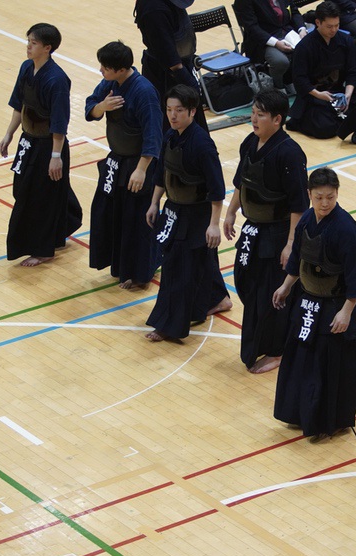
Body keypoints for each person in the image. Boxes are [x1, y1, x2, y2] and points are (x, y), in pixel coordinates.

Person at [272, 167, 356, 441]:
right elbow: (297, 259)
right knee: (302, 363)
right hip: (308, 304)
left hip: (335, 307)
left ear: (337, 193)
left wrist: (346, 312)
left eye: (330, 197)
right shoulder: (306, 220)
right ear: (309, 194)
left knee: (331, 369)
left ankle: (331, 421)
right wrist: (286, 286)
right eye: (319, 197)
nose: (325, 203)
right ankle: (300, 413)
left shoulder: (347, 229)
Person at [225, 89, 309, 373]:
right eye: (252, 113)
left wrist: (291, 244)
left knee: (271, 294)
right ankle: (260, 343)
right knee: (246, 283)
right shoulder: (250, 143)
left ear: (277, 119)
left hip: (278, 234)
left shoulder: (289, 153)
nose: (254, 119)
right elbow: (242, 182)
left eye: (260, 115)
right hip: (253, 230)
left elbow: (299, 205)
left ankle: (277, 351)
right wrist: (231, 211)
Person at [145, 85, 232, 341]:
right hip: (174, 210)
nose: (172, 115)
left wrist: (213, 224)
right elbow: (162, 173)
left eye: (179, 110)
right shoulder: (170, 136)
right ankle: (218, 298)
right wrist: (154, 203)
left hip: (196, 215)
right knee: (202, 261)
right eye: (169, 110)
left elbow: (217, 189)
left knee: (178, 267)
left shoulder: (202, 144)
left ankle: (169, 325)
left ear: (192, 111)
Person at [0, 22, 82, 267]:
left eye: (33, 43)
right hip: (28, 141)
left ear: (47, 48)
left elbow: (59, 122)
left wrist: (56, 156)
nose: (28, 46)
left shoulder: (57, 80)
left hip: (48, 146)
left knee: (42, 197)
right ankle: (62, 226)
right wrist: (9, 134)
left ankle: (44, 249)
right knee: (22, 189)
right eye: (28, 41)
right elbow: (19, 105)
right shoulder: (26, 68)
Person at [85, 41, 163, 289]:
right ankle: (122, 265)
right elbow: (90, 107)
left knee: (137, 220)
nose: (101, 70)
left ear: (120, 69)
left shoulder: (144, 92)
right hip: (116, 162)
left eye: (105, 67)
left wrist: (141, 169)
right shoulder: (109, 84)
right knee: (111, 214)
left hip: (138, 164)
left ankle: (141, 272)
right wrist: (102, 107)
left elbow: (153, 134)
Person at [286, 1, 356, 148]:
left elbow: (353, 71)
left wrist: (348, 94)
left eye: (337, 25)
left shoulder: (345, 41)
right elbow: (300, 80)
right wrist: (319, 95)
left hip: (340, 94)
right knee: (324, 127)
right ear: (318, 23)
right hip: (315, 97)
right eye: (329, 26)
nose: (333, 30)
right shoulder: (304, 47)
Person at [134, 0, 208, 131]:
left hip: (181, 66)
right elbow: (166, 52)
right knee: (172, 124)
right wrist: (184, 77)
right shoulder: (153, 9)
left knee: (194, 123)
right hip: (166, 75)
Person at [233, 0, 308, 92]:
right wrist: (276, 43)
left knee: (309, 48)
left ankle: (290, 80)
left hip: (288, 33)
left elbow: (294, 11)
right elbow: (252, 28)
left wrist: (301, 29)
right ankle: (278, 87)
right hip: (262, 41)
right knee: (280, 61)